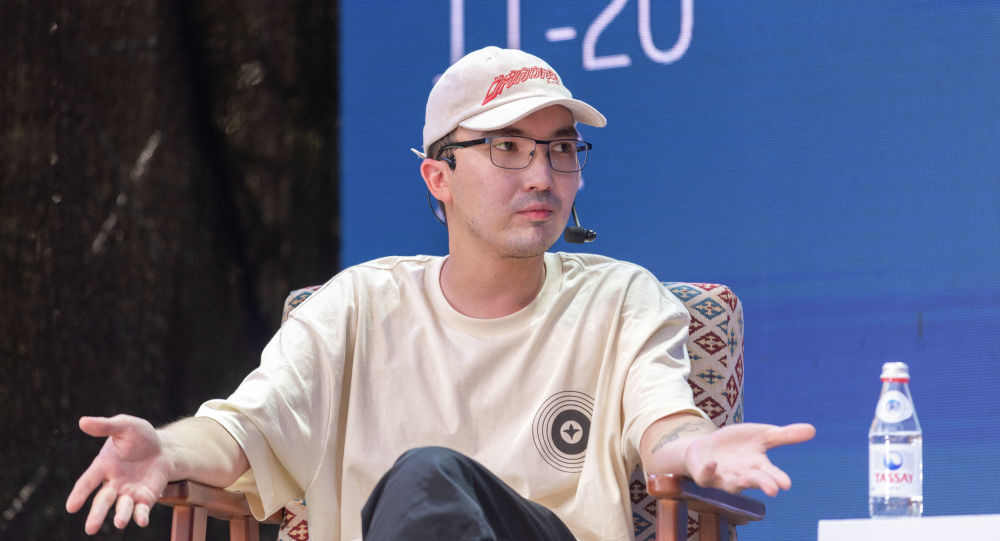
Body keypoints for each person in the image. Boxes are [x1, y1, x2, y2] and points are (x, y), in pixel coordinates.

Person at [66, 46, 815, 540]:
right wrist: (166, 448)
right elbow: (240, 433)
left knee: (428, 474)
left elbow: (664, 425)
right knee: (423, 478)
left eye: (560, 149)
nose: (542, 175)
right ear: (439, 177)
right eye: (507, 147)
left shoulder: (623, 299)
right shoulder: (356, 307)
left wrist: (697, 447)